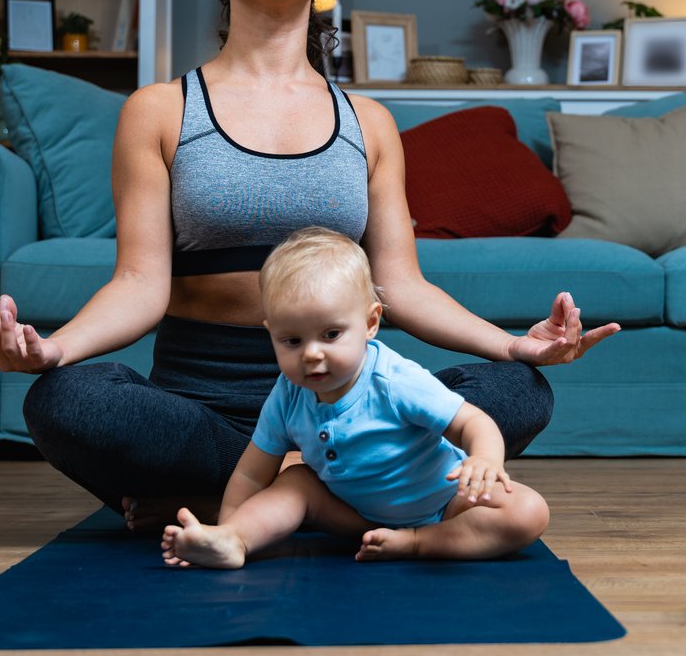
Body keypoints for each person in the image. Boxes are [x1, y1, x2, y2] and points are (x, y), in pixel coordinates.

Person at [0, 0, 619, 528]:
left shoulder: (369, 124)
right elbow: (138, 283)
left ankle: (262, 500)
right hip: (206, 408)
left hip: (354, 408)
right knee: (64, 399)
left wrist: (516, 346)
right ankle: (318, 492)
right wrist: (55, 349)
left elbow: (401, 287)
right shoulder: (158, 111)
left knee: (519, 391)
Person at [162, 227, 549, 568]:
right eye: (291, 340)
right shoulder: (287, 394)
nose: (311, 353)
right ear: (271, 334)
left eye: (331, 335)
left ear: (370, 323)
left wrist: (484, 459)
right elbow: (251, 472)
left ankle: (418, 544)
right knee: (296, 482)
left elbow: (472, 422)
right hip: (356, 516)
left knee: (527, 511)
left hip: (447, 505)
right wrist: (229, 524)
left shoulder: (393, 380)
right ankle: (235, 542)